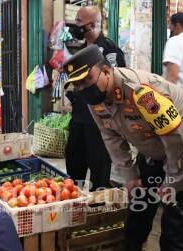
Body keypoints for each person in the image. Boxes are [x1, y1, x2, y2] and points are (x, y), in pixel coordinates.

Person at [63, 45, 183, 251]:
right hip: (153, 141)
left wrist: (172, 180)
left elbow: (174, 138)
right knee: (141, 199)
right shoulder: (96, 98)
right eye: (77, 84)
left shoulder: (142, 93)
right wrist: (130, 175)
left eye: (87, 80)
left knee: (174, 206)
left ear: (106, 70)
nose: (83, 88)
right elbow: (110, 137)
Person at [65, 6, 126, 190]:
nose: (75, 26)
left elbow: (117, 85)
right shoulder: (82, 50)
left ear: (91, 25)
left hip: (100, 124)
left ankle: (98, 214)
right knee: (73, 172)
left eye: (78, 22)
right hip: (79, 120)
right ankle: (74, 210)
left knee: (99, 176)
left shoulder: (110, 51)